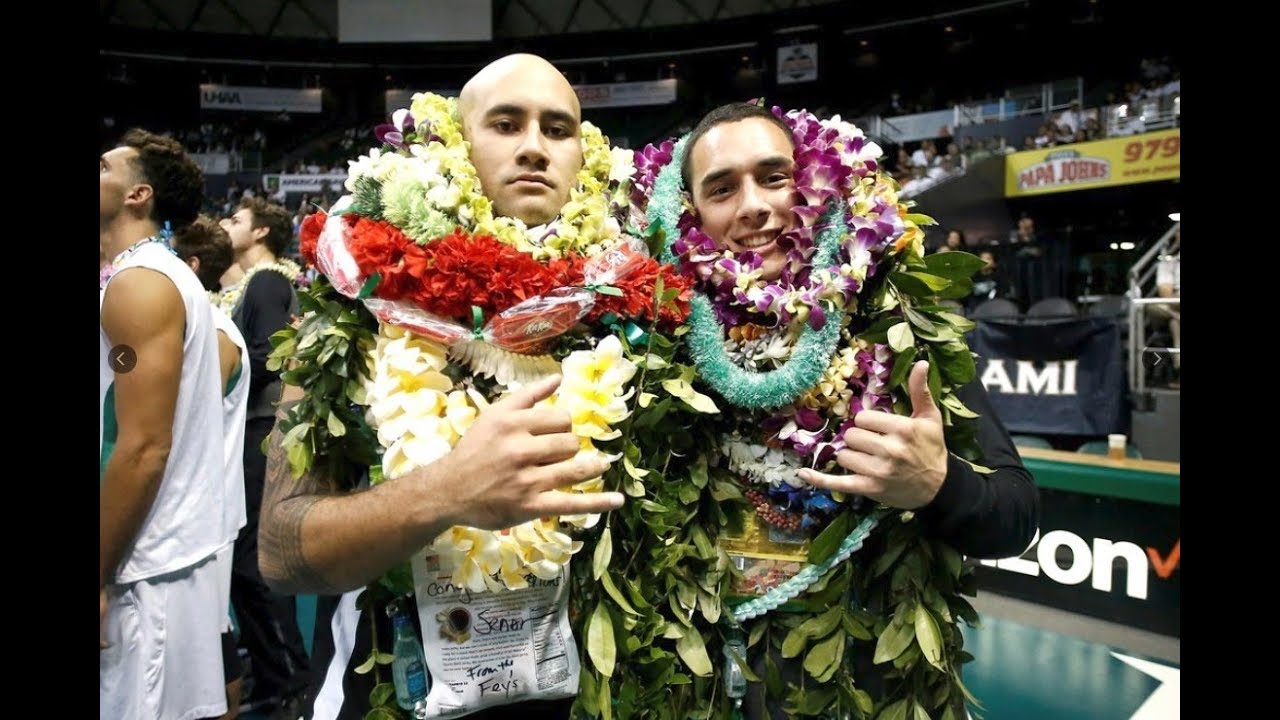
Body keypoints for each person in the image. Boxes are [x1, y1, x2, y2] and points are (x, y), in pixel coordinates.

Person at [258, 54, 625, 720]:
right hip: (396, 696)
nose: (534, 148)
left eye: (558, 128)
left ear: (586, 156)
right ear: (456, 144)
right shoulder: (355, 298)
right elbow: (282, 554)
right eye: (506, 124)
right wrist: (448, 490)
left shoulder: (635, 305)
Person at [679, 103, 1039, 717]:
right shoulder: (656, 341)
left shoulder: (901, 325)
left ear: (818, 184)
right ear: (688, 213)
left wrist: (939, 485)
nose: (753, 206)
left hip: (867, 689)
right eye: (722, 188)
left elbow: (1016, 515)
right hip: (696, 688)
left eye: (773, 177)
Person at [101, 128, 231, 720]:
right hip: (160, 555)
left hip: (142, 563)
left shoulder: (141, 283)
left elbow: (144, 447)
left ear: (138, 195)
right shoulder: (154, 275)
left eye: (103, 167)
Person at [219, 196, 312, 717]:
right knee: (243, 560)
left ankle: (290, 676)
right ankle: (272, 667)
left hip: (260, 429)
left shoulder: (269, 282)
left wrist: (214, 363)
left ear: (259, 234)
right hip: (252, 427)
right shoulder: (258, 283)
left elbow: (271, 351)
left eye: (236, 220)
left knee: (253, 560)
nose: (226, 225)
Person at [172, 215, 252, 720]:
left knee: (210, 635)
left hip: (207, 512)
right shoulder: (199, 325)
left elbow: (183, 427)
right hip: (189, 509)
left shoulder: (218, 332)